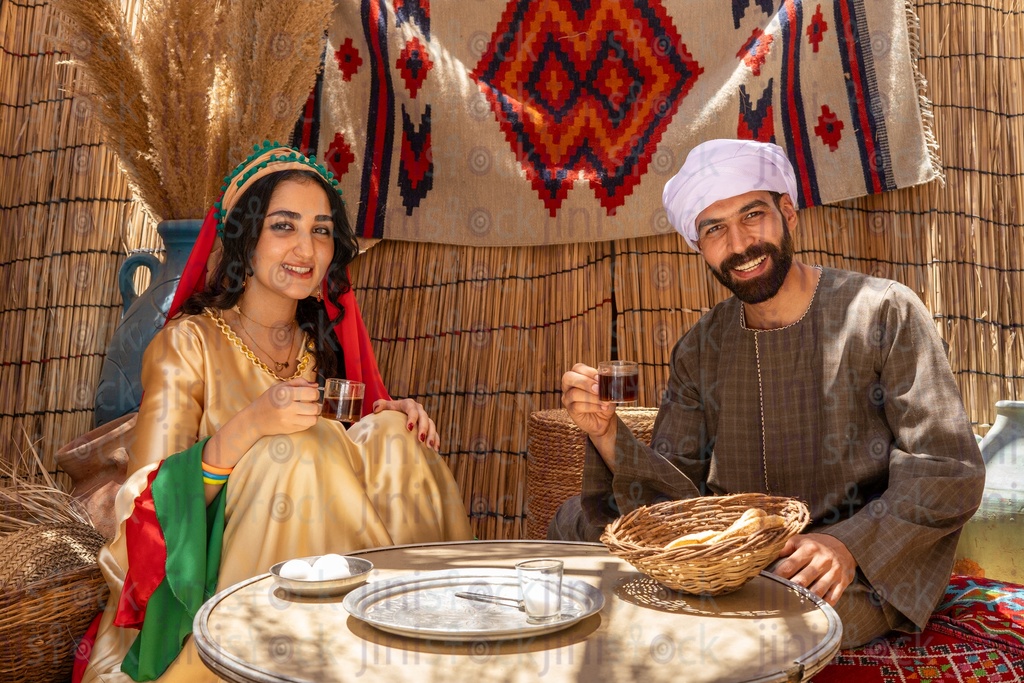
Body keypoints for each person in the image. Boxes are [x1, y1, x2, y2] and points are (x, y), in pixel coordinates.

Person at [550, 139, 985, 648]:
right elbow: (674, 496)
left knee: (769, 632)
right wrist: (606, 435)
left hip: (851, 563)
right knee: (571, 522)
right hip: (732, 559)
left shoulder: (883, 312)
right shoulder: (701, 346)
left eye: (752, 215)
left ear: (788, 214)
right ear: (701, 247)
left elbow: (948, 467)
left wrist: (845, 546)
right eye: (715, 230)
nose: (739, 244)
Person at [79, 142, 473, 682]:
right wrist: (249, 428)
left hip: (335, 570)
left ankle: (416, 649)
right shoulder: (188, 345)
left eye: (321, 230)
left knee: (391, 437)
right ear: (246, 238)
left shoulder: (323, 349)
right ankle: (251, 660)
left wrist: (389, 420)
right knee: (299, 450)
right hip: (208, 582)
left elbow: (360, 480)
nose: (305, 248)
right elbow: (142, 508)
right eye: (284, 226)